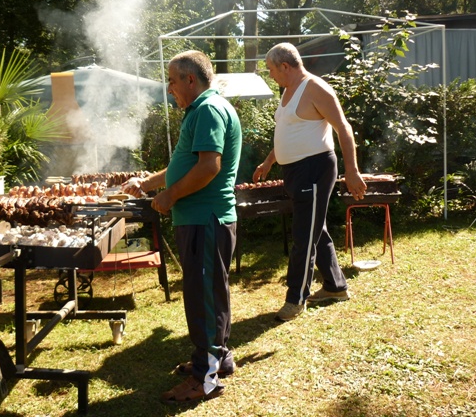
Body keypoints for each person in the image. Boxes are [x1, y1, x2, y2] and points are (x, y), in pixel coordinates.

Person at [121, 50, 242, 404]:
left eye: (173, 81)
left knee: (203, 298)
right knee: (210, 293)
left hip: (205, 219)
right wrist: (147, 184)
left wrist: (170, 196)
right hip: (205, 220)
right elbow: (184, 164)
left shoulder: (207, 109)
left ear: (191, 79)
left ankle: (206, 380)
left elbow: (209, 167)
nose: (170, 88)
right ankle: (218, 358)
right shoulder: (204, 109)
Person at [253, 42, 367, 322]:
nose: (271, 75)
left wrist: (351, 171)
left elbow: (343, 127)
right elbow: (287, 130)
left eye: (271, 70)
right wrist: (269, 162)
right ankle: (335, 287)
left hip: (314, 168)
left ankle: (295, 299)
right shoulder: (288, 91)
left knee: (303, 237)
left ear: (285, 66)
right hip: (294, 172)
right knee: (317, 230)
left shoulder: (315, 87)